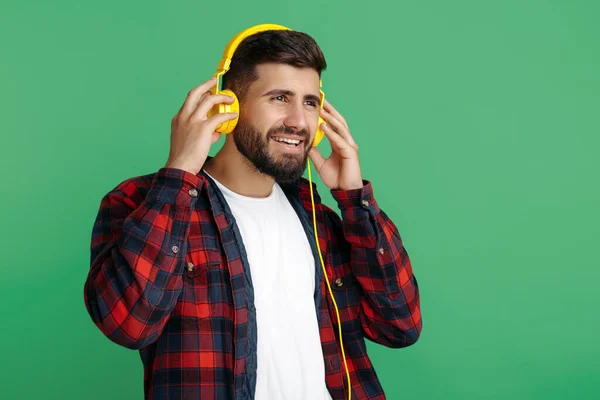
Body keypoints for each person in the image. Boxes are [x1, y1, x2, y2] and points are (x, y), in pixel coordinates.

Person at [83, 25, 422, 400]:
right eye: (280, 97)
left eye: (310, 102)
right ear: (227, 106)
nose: (298, 121)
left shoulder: (321, 221)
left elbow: (400, 326)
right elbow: (127, 323)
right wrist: (178, 173)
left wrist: (355, 201)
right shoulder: (143, 202)